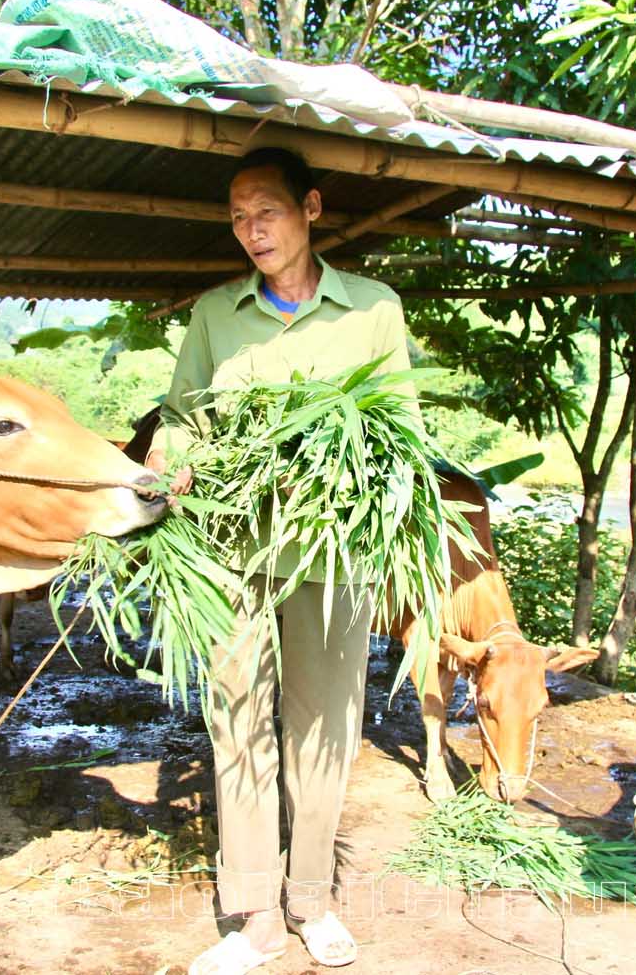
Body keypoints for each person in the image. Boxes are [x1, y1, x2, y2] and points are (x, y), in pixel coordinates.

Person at [147, 148, 413, 975]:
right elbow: (181, 414)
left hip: (332, 556)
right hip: (230, 551)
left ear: (311, 209)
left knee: (324, 729)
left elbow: (397, 429)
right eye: (236, 218)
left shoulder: (370, 310)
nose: (250, 230)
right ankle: (255, 915)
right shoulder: (215, 315)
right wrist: (170, 458)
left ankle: (314, 902)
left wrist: (335, 465)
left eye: (265, 211)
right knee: (236, 723)